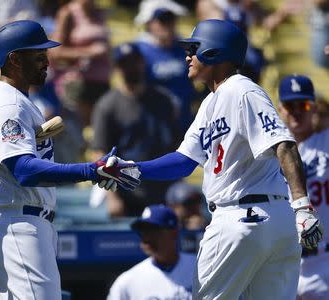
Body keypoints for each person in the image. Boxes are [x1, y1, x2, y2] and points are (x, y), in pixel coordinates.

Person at [106, 19, 323, 299]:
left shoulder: (243, 89)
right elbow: (184, 161)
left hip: (238, 219)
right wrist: (132, 169)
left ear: (213, 51)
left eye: (193, 49)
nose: (187, 57)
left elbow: (284, 144)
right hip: (275, 223)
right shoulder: (211, 102)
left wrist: (303, 205)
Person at [0, 20, 140, 300]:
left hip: (14, 221)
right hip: (17, 224)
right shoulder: (10, 104)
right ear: (14, 60)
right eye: (38, 55)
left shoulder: (13, 100)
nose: (47, 61)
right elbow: (23, 170)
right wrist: (90, 170)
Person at [90, 42, 182, 217]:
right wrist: (112, 197)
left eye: (135, 62)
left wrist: (178, 190)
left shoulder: (163, 100)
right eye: (125, 64)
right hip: (127, 193)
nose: (131, 68)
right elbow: (100, 154)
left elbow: (177, 145)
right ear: (117, 68)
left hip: (163, 190)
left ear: (143, 62)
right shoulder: (107, 105)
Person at [277, 74, 329, 300]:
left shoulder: (326, 142)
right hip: (284, 262)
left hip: (324, 262)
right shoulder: (267, 153)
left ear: (314, 108)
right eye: (290, 105)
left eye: (304, 104)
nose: (297, 110)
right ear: (280, 109)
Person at [107, 204, 195, 300]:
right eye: (143, 231)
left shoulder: (199, 266)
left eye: (153, 231)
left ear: (174, 232)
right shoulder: (127, 281)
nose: (146, 237)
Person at [133, 0, 197, 129]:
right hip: (155, 125)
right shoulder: (139, 51)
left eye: (171, 19)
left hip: (185, 122)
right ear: (149, 23)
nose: (168, 24)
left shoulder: (183, 48)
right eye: (162, 19)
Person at [49, 0, 111, 126]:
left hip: (101, 84)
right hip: (77, 85)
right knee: (80, 129)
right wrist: (88, 52)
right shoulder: (68, 13)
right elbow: (55, 52)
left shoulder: (99, 13)